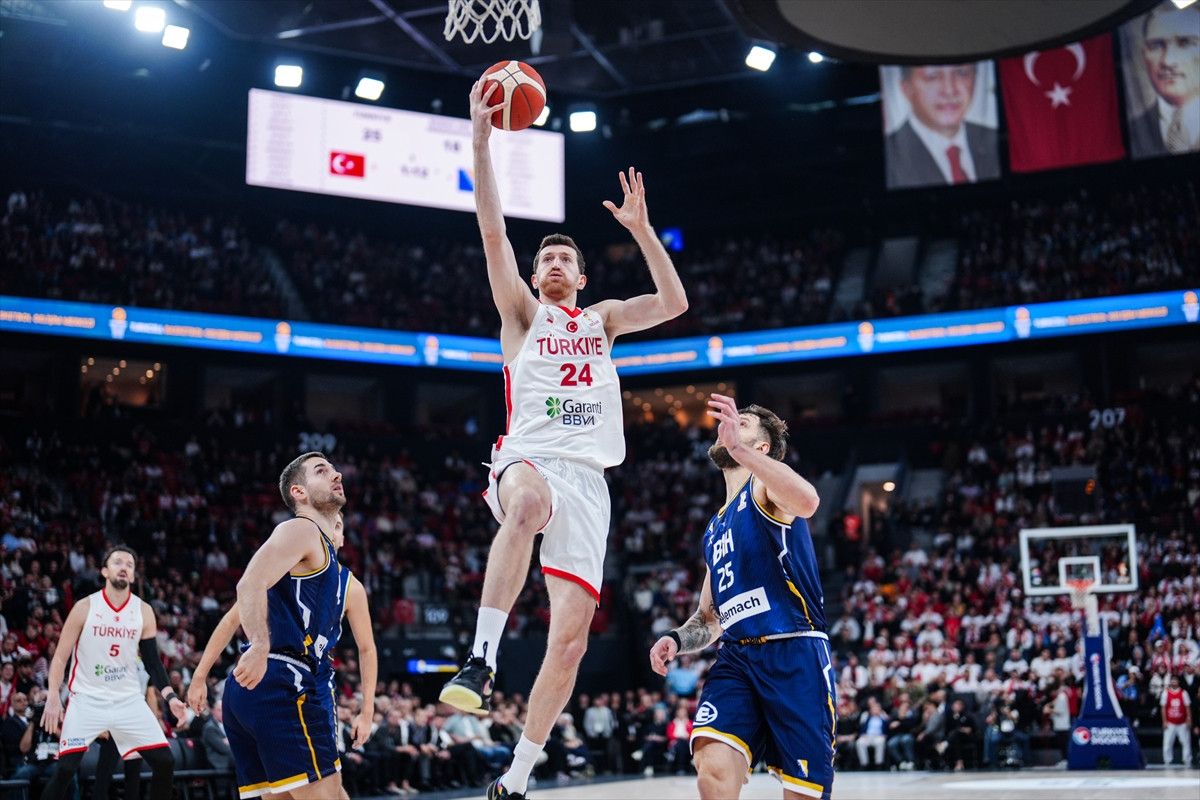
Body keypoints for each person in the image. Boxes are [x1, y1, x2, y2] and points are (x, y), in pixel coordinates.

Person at [438, 77, 687, 800]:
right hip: (528, 459)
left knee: (572, 639)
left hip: (591, 479)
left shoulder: (603, 320)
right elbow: (492, 231)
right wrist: (481, 144)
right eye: (544, 258)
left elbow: (673, 302)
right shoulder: (521, 314)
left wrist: (641, 231)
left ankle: (517, 775)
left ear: (579, 276)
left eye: (562, 260)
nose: (550, 264)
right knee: (524, 507)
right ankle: (479, 660)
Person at [649, 398, 829, 800]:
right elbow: (708, 618)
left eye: (742, 424)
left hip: (793, 651)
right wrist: (677, 640)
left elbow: (808, 502)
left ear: (761, 448)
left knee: (803, 793)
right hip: (737, 659)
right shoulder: (714, 527)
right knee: (711, 764)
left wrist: (739, 451)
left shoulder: (766, 488)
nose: (726, 427)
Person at [187, 512, 377, 757]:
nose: (331, 528)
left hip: (316, 680)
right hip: (273, 673)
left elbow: (367, 649)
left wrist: (367, 711)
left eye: (338, 525)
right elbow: (232, 619)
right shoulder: (280, 571)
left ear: (342, 540)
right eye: (326, 522)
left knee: (324, 776)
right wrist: (200, 676)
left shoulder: (352, 587)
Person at [220, 451, 349, 799]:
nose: (336, 475)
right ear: (299, 493)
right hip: (282, 678)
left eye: (335, 470)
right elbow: (247, 584)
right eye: (322, 471)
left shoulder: (320, 550)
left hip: (255, 687)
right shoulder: (302, 529)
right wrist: (260, 645)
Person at [39, 546, 183, 800]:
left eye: (129, 564)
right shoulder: (85, 607)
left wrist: (170, 698)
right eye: (118, 562)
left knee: (165, 761)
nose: (124, 567)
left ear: (134, 575)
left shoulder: (143, 611)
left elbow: (152, 662)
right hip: (86, 699)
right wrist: (53, 697)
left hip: (127, 700)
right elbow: (60, 656)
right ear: (104, 571)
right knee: (65, 769)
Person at [885, 64, 1001, 188]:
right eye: (932, 77)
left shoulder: (994, 139)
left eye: (961, 73)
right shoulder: (890, 155)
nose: (949, 90)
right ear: (906, 88)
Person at [1128, 3, 1200, 157]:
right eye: (1156, 46)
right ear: (1143, 55)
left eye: (1185, 43)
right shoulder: (1131, 130)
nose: (1168, 61)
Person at [1162, 673, 1193, 766]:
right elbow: (1163, 708)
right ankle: (1167, 761)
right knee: (1167, 743)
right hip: (1170, 723)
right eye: (1172, 680)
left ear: (1178, 682)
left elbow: (1187, 707)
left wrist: (1189, 719)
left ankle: (1187, 760)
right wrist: (1164, 721)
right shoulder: (1165, 693)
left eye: (1175, 680)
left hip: (1182, 722)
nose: (1173, 682)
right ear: (1170, 682)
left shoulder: (1184, 693)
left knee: (1186, 742)